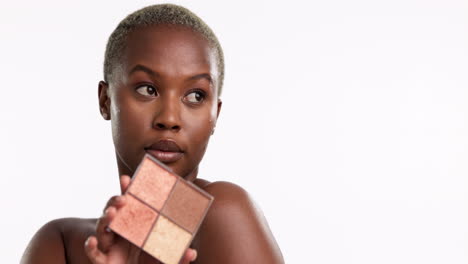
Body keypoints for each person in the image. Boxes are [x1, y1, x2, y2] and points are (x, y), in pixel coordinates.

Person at [21, 4, 284, 264]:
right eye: (147, 89)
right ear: (105, 100)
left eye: (195, 95)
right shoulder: (61, 242)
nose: (169, 118)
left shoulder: (221, 212)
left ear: (215, 114)